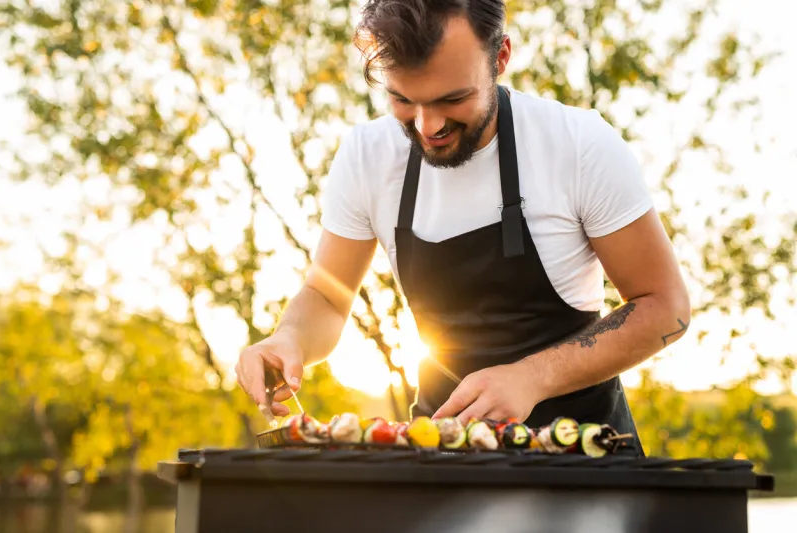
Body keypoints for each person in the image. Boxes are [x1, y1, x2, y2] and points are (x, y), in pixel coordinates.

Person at [235, 0, 691, 456]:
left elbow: (665, 306)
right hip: (441, 458)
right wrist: (288, 338)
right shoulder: (365, 157)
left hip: (585, 464)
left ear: (501, 58)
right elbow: (327, 297)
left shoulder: (579, 144)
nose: (427, 126)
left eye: (452, 99)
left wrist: (533, 376)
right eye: (403, 100)